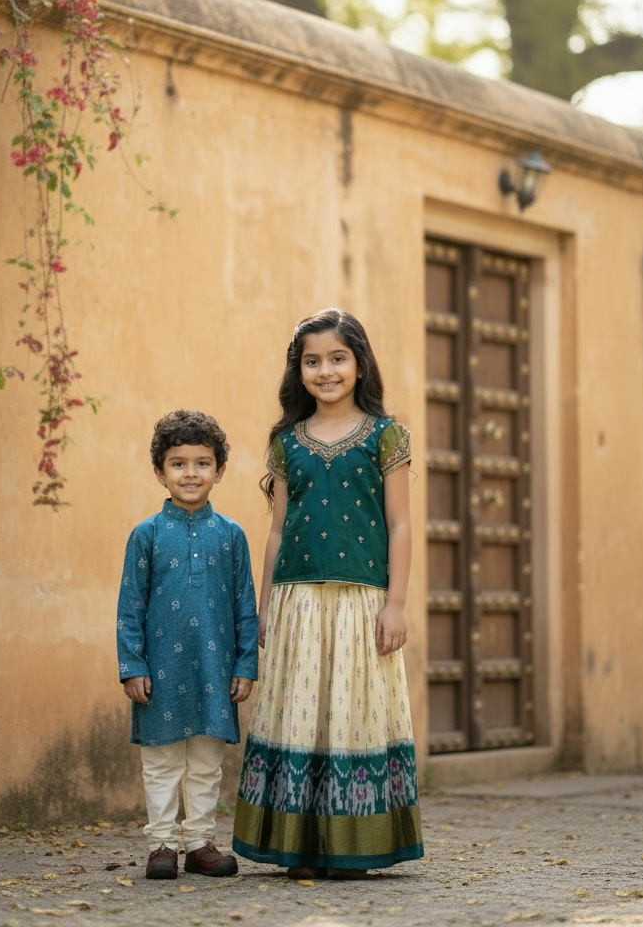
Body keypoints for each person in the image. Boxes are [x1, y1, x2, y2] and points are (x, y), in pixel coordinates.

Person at [232, 309, 424, 878]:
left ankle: (353, 847)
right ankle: (300, 847)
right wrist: (266, 607)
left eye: (338, 358)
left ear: (360, 363)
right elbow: (276, 530)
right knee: (300, 716)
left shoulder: (387, 436)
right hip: (298, 601)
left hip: (362, 603)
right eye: (312, 361)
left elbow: (401, 524)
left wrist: (396, 603)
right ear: (299, 370)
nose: (326, 371)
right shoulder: (286, 441)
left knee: (351, 716)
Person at [117, 409, 258, 879]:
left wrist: (246, 664)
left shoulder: (231, 535)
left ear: (220, 470)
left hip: (215, 669)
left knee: (205, 762)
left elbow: (245, 605)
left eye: (202, 463)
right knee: (160, 761)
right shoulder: (147, 535)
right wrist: (133, 665)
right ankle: (161, 844)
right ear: (160, 472)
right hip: (159, 670)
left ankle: (199, 844)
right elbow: (130, 606)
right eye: (178, 464)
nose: (191, 473)